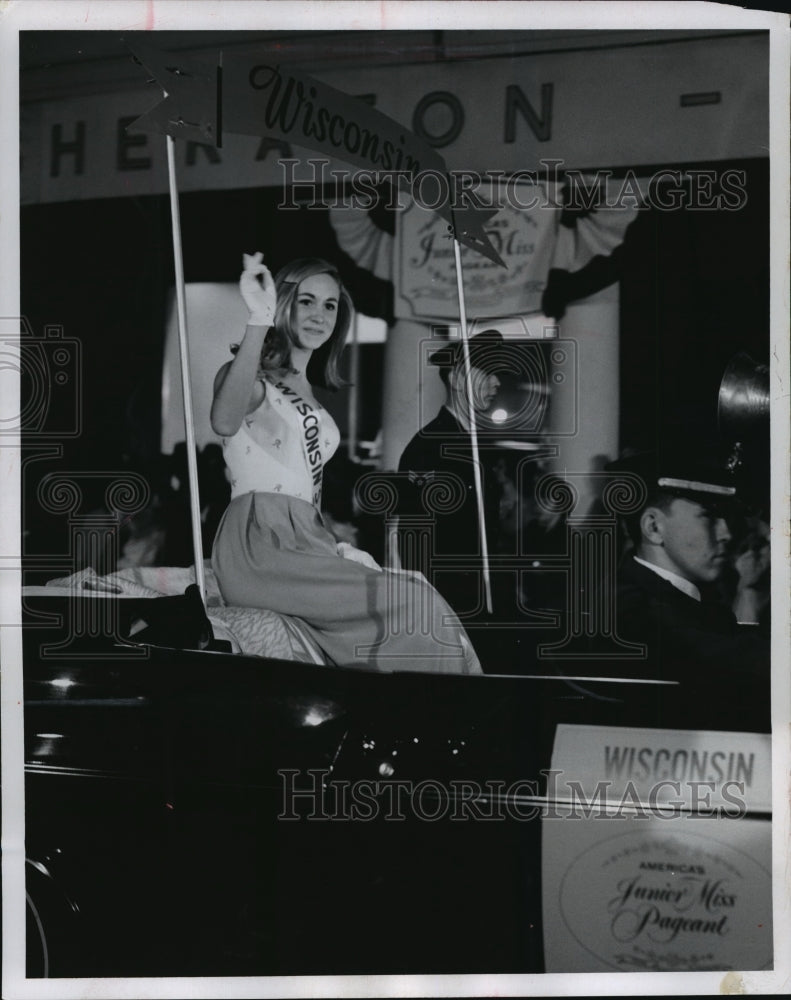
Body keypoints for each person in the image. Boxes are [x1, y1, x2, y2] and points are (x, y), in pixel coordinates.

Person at [210, 252, 481, 674]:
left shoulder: (311, 391)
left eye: (330, 305)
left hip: (307, 539)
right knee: (415, 604)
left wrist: (336, 546)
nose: (319, 315)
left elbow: (307, 490)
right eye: (306, 301)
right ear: (282, 304)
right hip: (262, 543)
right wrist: (258, 320)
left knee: (421, 596)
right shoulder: (250, 376)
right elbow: (224, 421)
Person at [605, 448, 769, 688]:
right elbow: (728, 663)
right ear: (653, 528)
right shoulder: (631, 612)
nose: (726, 533)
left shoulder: (688, 598)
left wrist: (749, 594)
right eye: (708, 516)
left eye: (725, 517)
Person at [397, 330, 512, 621]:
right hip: (450, 606)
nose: (497, 382)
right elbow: (417, 542)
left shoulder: (479, 445)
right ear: (457, 379)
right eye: (487, 372)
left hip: (485, 597)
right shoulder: (428, 447)